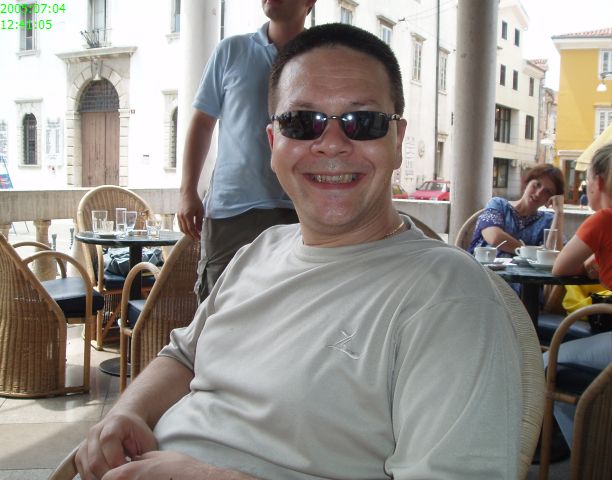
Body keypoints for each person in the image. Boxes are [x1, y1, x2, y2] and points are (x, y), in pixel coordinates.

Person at [75, 24, 522, 480]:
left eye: (363, 121)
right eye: (301, 122)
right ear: (274, 143)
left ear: (397, 140)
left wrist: (200, 475)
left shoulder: (447, 293)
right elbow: (184, 356)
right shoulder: (259, 250)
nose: (332, 143)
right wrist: (127, 412)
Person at [178, 0, 316, 302]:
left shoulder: (320, 58)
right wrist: (188, 191)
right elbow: (201, 124)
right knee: (217, 309)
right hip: (232, 210)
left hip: (301, 210)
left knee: (290, 309)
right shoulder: (232, 51)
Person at [549, 140, 612, 447]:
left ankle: (585, 452)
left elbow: (560, 267)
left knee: (545, 365)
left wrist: (591, 261)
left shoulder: (606, 220)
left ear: (599, 181)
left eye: (587, 180)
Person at [468, 164, 565, 257]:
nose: (538, 193)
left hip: (523, 270)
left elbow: (555, 255)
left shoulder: (548, 221)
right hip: (483, 267)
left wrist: (559, 213)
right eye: (537, 185)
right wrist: (530, 252)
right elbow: (494, 237)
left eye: (547, 191)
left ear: (551, 198)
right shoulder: (498, 204)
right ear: (527, 183)